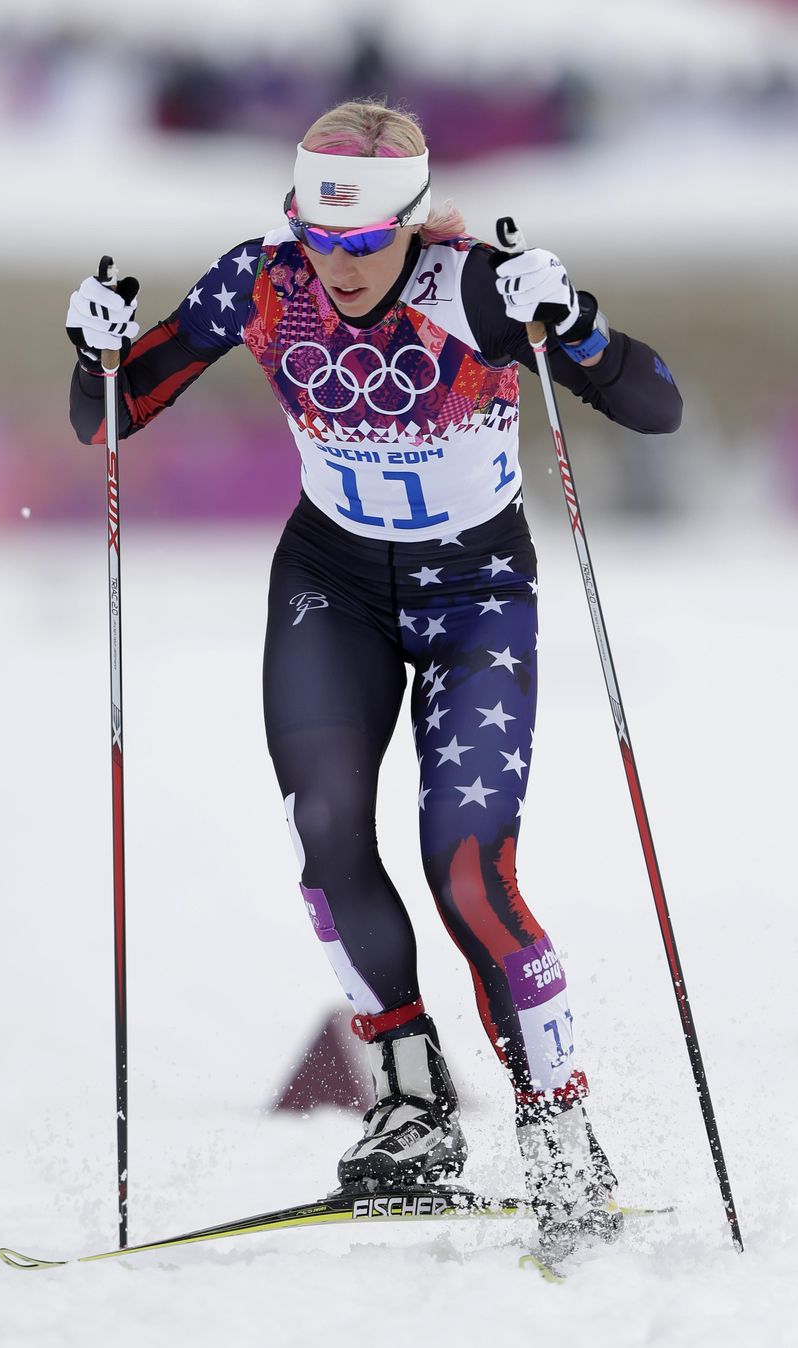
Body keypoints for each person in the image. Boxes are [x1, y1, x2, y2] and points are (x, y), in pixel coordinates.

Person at [66, 99, 682, 1252]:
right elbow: (106, 415)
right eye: (318, 237)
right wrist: (96, 345)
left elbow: (656, 407)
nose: (337, 264)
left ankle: (557, 1123)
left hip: (474, 595)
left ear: (410, 223)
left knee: (465, 860)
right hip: (331, 585)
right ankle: (407, 1096)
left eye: (362, 242)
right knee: (331, 828)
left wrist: (579, 325)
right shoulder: (261, 280)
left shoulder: (480, 288)